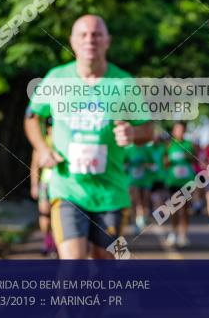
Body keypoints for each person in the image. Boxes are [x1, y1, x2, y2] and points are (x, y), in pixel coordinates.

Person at [23, 15, 154, 260]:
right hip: (68, 189)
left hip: (110, 193)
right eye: (83, 35)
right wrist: (41, 148)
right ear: (72, 41)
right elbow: (32, 117)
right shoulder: (56, 79)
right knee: (72, 265)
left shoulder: (124, 83)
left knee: (104, 265)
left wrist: (133, 132)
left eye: (96, 34)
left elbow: (148, 129)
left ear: (108, 41)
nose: (89, 40)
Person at [164, 121, 195, 247]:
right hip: (173, 181)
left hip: (186, 181)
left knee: (185, 209)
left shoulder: (189, 144)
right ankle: (173, 233)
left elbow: (194, 158)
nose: (179, 132)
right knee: (173, 209)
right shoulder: (169, 145)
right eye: (177, 130)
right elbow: (164, 162)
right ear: (173, 132)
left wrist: (185, 155)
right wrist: (168, 161)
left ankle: (183, 235)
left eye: (181, 130)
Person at [29, 120, 56, 256]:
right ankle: (47, 240)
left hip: (62, 184)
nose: (51, 129)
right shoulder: (42, 143)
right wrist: (34, 185)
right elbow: (34, 167)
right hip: (46, 182)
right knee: (45, 213)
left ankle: (57, 243)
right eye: (50, 126)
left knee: (59, 214)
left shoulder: (65, 140)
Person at [125, 142, 152, 234]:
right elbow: (124, 164)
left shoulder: (147, 149)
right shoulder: (128, 149)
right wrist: (127, 165)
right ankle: (135, 223)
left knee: (144, 201)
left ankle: (141, 219)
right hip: (132, 180)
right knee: (134, 201)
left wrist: (146, 165)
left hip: (145, 179)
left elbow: (153, 164)